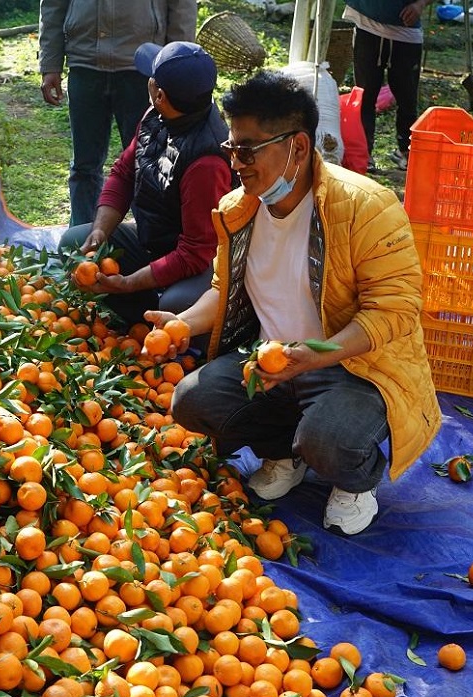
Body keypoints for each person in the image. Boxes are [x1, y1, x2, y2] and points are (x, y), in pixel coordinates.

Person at [151, 70, 440, 535]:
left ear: (298, 147)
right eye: (232, 149)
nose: (237, 163)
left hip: (355, 369)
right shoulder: (238, 209)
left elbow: (394, 310)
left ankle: (354, 480)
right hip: (272, 363)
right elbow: (224, 290)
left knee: (331, 441)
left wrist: (315, 355)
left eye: (248, 150)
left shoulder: (365, 208)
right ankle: (285, 454)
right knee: (192, 400)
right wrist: (181, 324)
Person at [60, 41, 234, 330]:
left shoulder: (206, 161)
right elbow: (124, 173)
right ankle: (140, 317)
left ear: (160, 93)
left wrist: (128, 283)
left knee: (177, 303)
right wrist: (101, 229)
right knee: (74, 242)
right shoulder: (157, 115)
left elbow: (195, 252)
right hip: (157, 240)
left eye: (150, 78)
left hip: (204, 262)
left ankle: (172, 324)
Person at [39, 0, 199, 226]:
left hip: (142, 66)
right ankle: (81, 246)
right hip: (85, 64)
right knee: (84, 166)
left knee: (147, 164)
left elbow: (182, 7)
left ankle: (149, 241)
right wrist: (50, 63)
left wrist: (174, 65)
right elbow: (53, 5)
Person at [341, 0, 430, 170]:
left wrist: (421, 4)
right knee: (364, 97)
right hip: (366, 26)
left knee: (407, 99)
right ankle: (363, 153)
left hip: (406, 33)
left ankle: (406, 150)